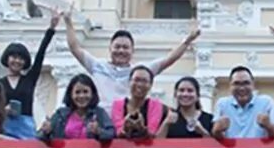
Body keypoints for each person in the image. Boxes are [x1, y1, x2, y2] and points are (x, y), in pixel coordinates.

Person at [64, 18, 200, 107]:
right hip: (100, 121)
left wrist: (187, 41)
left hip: (126, 119)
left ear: (132, 51)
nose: (121, 51)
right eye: (117, 47)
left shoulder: (140, 71)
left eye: (125, 47)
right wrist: (68, 22)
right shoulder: (97, 65)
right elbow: (75, 48)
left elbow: (168, 59)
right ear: (110, 48)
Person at [0, 12, 61, 134]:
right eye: (14, 57)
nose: (17, 61)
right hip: (4, 126)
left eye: (21, 58)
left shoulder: (29, 79)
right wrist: (3, 111)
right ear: (7, 58)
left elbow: (41, 54)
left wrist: (51, 29)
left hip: (25, 126)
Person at [41, 75, 114, 143]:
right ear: (71, 94)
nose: (81, 96)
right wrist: (46, 132)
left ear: (92, 93)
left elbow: (112, 134)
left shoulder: (99, 113)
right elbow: (39, 136)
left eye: (85, 92)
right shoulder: (61, 114)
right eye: (77, 92)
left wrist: (98, 131)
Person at [111, 65, 167, 140]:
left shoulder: (156, 105)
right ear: (129, 82)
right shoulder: (117, 104)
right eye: (136, 80)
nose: (140, 84)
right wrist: (125, 127)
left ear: (150, 85)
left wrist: (142, 129)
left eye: (144, 81)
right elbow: (118, 132)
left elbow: (152, 133)